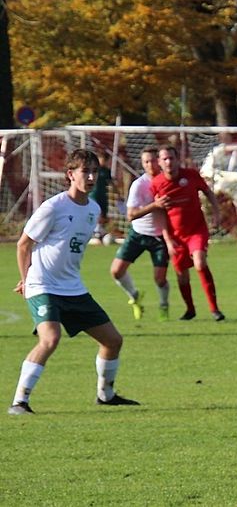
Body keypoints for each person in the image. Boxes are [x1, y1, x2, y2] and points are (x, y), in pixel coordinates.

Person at [9, 149, 139, 415]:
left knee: (113, 340)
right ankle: (19, 401)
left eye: (95, 172)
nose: (91, 177)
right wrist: (26, 280)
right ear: (70, 175)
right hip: (42, 285)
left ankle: (106, 395)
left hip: (73, 287)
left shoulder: (93, 209)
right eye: (85, 172)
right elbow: (24, 245)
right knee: (50, 339)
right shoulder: (53, 207)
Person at [150, 146, 225, 321]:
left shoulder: (191, 175)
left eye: (171, 158)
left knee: (199, 262)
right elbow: (159, 213)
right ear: (160, 163)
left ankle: (215, 309)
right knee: (182, 276)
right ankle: (190, 310)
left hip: (196, 230)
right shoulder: (157, 184)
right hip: (175, 236)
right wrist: (168, 240)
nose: (169, 162)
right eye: (165, 159)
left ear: (178, 159)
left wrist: (216, 213)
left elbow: (207, 192)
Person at [110, 148, 171, 321]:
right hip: (138, 233)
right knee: (116, 271)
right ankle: (135, 296)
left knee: (159, 279)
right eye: (146, 162)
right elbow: (131, 215)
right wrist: (155, 205)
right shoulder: (139, 184)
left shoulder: (167, 181)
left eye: (153, 160)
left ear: (159, 161)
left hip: (159, 237)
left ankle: (164, 304)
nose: (150, 165)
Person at [89, 150, 114, 241]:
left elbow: (111, 182)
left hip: (104, 195)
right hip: (94, 194)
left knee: (104, 213)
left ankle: (100, 231)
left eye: (105, 159)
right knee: (97, 212)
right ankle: (96, 231)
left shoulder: (106, 171)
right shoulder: (94, 170)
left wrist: (117, 193)